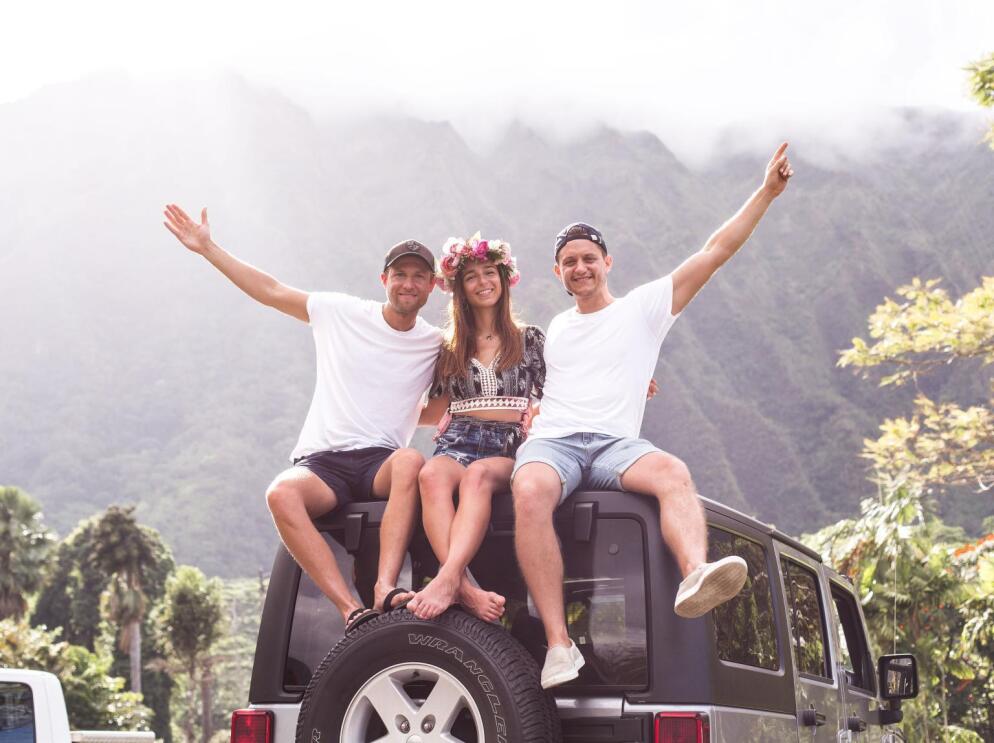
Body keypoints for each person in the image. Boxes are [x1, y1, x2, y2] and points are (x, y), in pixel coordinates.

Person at [512, 143, 795, 688]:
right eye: (569, 262)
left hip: (615, 446)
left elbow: (714, 251)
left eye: (588, 258)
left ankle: (695, 575)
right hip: (556, 442)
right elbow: (561, 383)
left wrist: (766, 193)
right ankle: (559, 645)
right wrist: (536, 410)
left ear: (607, 262)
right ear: (558, 273)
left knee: (672, 472)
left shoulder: (643, 308)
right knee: (528, 493)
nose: (579, 267)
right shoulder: (557, 329)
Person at [162, 204, 440, 633]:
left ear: (433, 286)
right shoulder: (341, 312)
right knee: (281, 493)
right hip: (323, 462)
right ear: (383, 280)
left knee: (410, 461)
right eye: (400, 274)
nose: (408, 283)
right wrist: (207, 248)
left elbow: (448, 401)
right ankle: (350, 608)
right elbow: (271, 290)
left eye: (419, 276)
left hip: (380, 462)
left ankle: (385, 586)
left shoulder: (435, 343)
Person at [406, 234, 541, 623]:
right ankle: (463, 587)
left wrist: (631, 382)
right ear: (459, 289)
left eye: (489, 272)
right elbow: (432, 410)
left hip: (507, 445)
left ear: (503, 277)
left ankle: (447, 578)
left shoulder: (529, 339)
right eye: (471, 276)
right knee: (430, 474)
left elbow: (562, 391)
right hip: (458, 439)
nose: (483, 282)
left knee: (478, 476)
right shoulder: (450, 348)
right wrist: (375, 403)